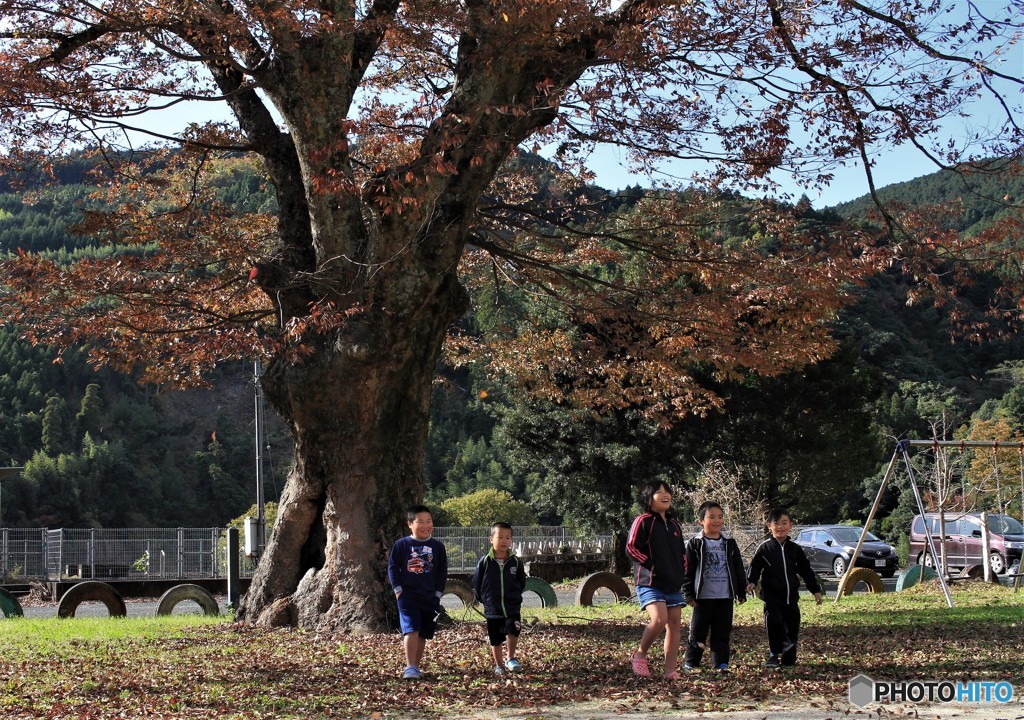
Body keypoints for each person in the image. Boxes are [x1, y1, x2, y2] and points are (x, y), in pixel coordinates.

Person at [745, 508, 823, 668]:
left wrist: (815, 590)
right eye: (776, 524)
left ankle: (789, 657)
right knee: (774, 625)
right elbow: (754, 568)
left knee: (792, 627)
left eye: (784, 523)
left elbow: (806, 570)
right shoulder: (764, 548)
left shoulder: (795, 549)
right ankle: (774, 654)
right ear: (769, 526)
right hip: (772, 598)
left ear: (790, 525)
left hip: (791, 597)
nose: (780, 527)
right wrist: (751, 582)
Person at [625, 480, 687, 679]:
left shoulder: (674, 524)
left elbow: (681, 553)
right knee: (659, 619)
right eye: (659, 492)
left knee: (675, 624)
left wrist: (681, 572)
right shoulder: (643, 520)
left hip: (673, 583)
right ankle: (640, 655)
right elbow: (631, 548)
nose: (665, 494)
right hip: (650, 582)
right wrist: (651, 565)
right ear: (648, 498)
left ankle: (670, 670)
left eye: (667, 491)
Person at [680, 500, 747, 671]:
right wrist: (688, 593)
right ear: (701, 521)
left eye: (720, 517)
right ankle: (691, 662)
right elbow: (687, 570)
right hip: (702, 597)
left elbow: (738, 567)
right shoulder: (695, 543)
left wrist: (741, 591)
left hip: (725, 596)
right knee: (697, 633)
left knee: (722, 633)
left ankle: (721, 663)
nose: (717, 521)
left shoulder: (729, 542)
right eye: (712, 517)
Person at [388, 504, 448, 680]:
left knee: (423, 632)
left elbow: (442, 571)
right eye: (420, 521)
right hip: (408, 596)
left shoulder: (437, 547)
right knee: (411, 629)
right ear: (410, 524)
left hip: (430, 596)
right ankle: (410, 666)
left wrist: (438, 593)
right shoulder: (402, 545)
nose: (425, 525)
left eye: (428, 521)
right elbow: (393, 568)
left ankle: (416, 665)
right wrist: (398, 590)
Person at [472, 521, 528, 675]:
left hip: (512, 606)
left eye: (508, 538)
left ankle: (511, 658)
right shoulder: (485, 562)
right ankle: (499, 665)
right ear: (491, 539)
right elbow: (477, 582)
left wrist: (515, 595)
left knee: (513, 631)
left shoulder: (515, 562)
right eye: (500, 537)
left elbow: (521, 581)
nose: (504, 541)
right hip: (493, 608)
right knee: (495, 637)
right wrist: (484, 598)